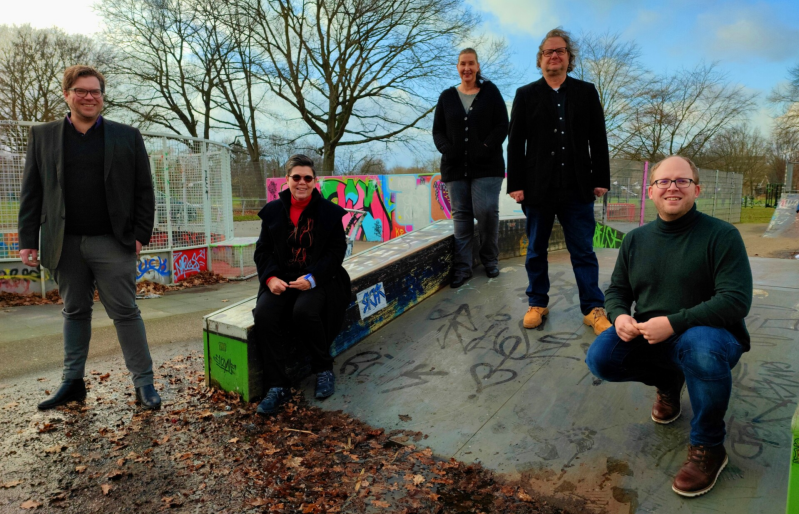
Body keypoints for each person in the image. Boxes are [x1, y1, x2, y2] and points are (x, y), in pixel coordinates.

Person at [586, 156, 752, 497]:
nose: (672, 187)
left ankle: (709, 446)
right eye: (663, 181)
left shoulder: (722, 235)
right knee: (601, 357)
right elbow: (617, 291)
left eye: (682, 181)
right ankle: (668, 382)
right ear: (650, 191)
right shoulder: (636, 240)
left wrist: (674, 323)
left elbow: (735, 301)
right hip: (651, 335)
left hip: (712, 337)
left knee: (699, 347)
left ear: (697, 189)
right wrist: (620, 316)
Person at [18, 65, 160, 410]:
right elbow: (32, 191)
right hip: (63, 243)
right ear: (67, 95)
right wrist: (28, 240)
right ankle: (72, 383)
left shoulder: (127, 136)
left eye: (95, 91)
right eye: (81, 91)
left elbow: (144, 190)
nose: (89, 97)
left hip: (114, 242)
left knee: (126, 312)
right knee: (74, 311)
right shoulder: (43, 136)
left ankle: (144, 385)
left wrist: (140, 235)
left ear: (102, 96)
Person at [506, 28, 611, 334]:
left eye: (560, 51)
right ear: (540, 59)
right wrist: (515, 183)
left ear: (568, 57)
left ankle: (593, 308)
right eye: (548, 52)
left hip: (578, 187)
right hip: (537, 188)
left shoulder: (586, 92)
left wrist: (600, 178)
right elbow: (515, 142)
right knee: (536, 250)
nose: (554, 55)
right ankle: (537, 303)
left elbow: (598, 139)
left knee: (583, 251)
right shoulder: (525, 95)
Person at [252, 155, 351, 415]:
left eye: (308, 178)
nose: (302, 182)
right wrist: (270, 278)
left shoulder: (329, 213)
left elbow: (336, 252)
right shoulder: (273, 211)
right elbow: (262, 250)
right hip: (281, 278)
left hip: (318, 278)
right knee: (263, 315)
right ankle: (277, 385)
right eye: (296, 177)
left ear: (315, 181)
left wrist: (313, 278)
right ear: (287, 180)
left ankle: (323, 368)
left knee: (304, 311)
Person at [432, 48, 509, 288]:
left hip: (487, 166)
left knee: (486, 211)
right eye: (462, 64)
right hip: (455, 168)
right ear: (457, 67)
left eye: (471, 63)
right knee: (462, 216)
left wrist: (485, 147)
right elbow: (437, 130)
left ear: (477, 66)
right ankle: (463, 268)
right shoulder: (447, 97)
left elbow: (502, 125)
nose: (467, 68)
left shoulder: (490, 92)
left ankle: (489, 259)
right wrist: (447, 149)